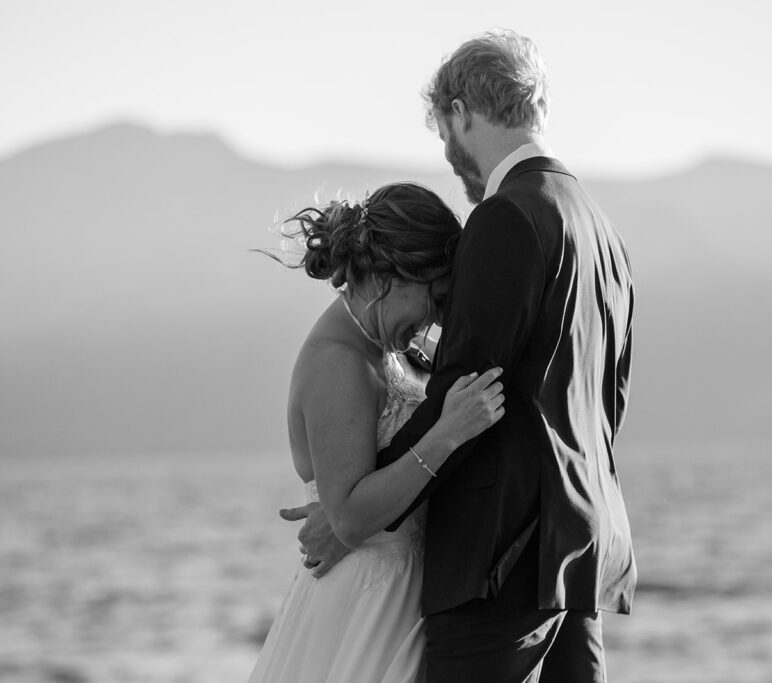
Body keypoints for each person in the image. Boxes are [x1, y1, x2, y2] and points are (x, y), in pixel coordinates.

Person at [289, 30, 637, 682]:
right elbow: (606, 404)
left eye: (444, 131)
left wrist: (355, 515)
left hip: (497, 562)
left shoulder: (509, 217)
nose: (449, 156)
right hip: (578, 555)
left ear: (460, 113)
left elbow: (467, 386)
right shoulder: (601, 230)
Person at [248, 182, 505, 683]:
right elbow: (347, 518)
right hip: (365, 604)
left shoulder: (378, 349)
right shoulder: (337, 362)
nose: (434, 319)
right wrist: (447, 433)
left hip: (397, 594)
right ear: (394, 274)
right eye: (435, 297)